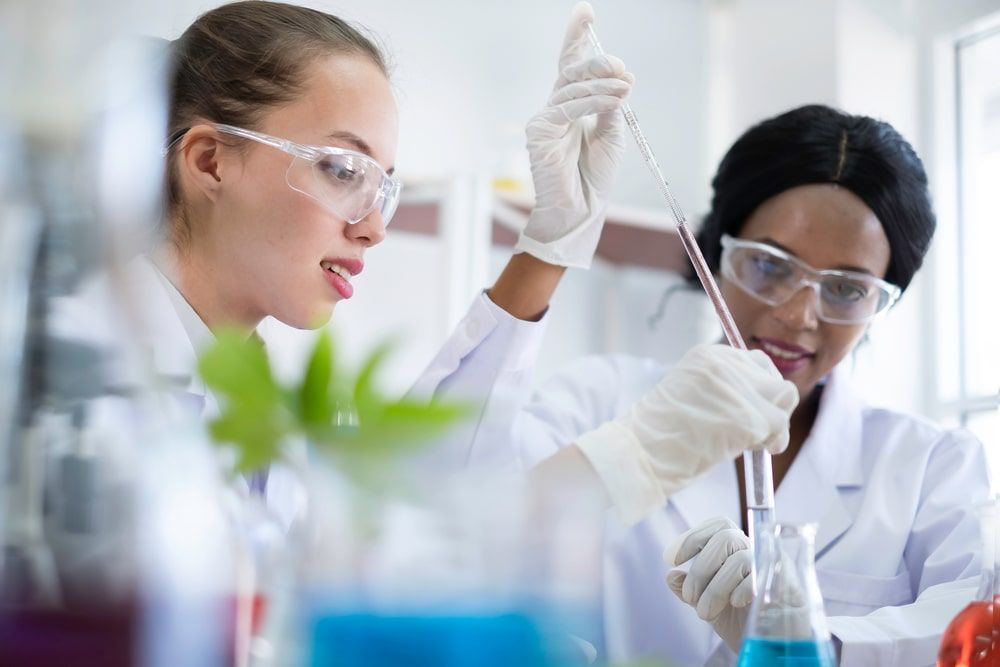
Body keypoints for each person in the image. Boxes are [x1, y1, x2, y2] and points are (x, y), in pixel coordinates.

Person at [50, 1, 796, 533]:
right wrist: (633, 456)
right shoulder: (73, 384)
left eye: (385, 185)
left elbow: (415, 517)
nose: (374, 227)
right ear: (209, 159)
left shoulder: (256, 404)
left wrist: (551, 243)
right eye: (342, 169)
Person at [510, 104, 991, 665]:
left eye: (846, 289)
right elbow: (439, 533)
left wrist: (806, 641)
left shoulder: (933, 466)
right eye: (770, 265)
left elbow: (972, 633)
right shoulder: (600, 398)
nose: (797, 315)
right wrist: (625, 454)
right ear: (719, 252)